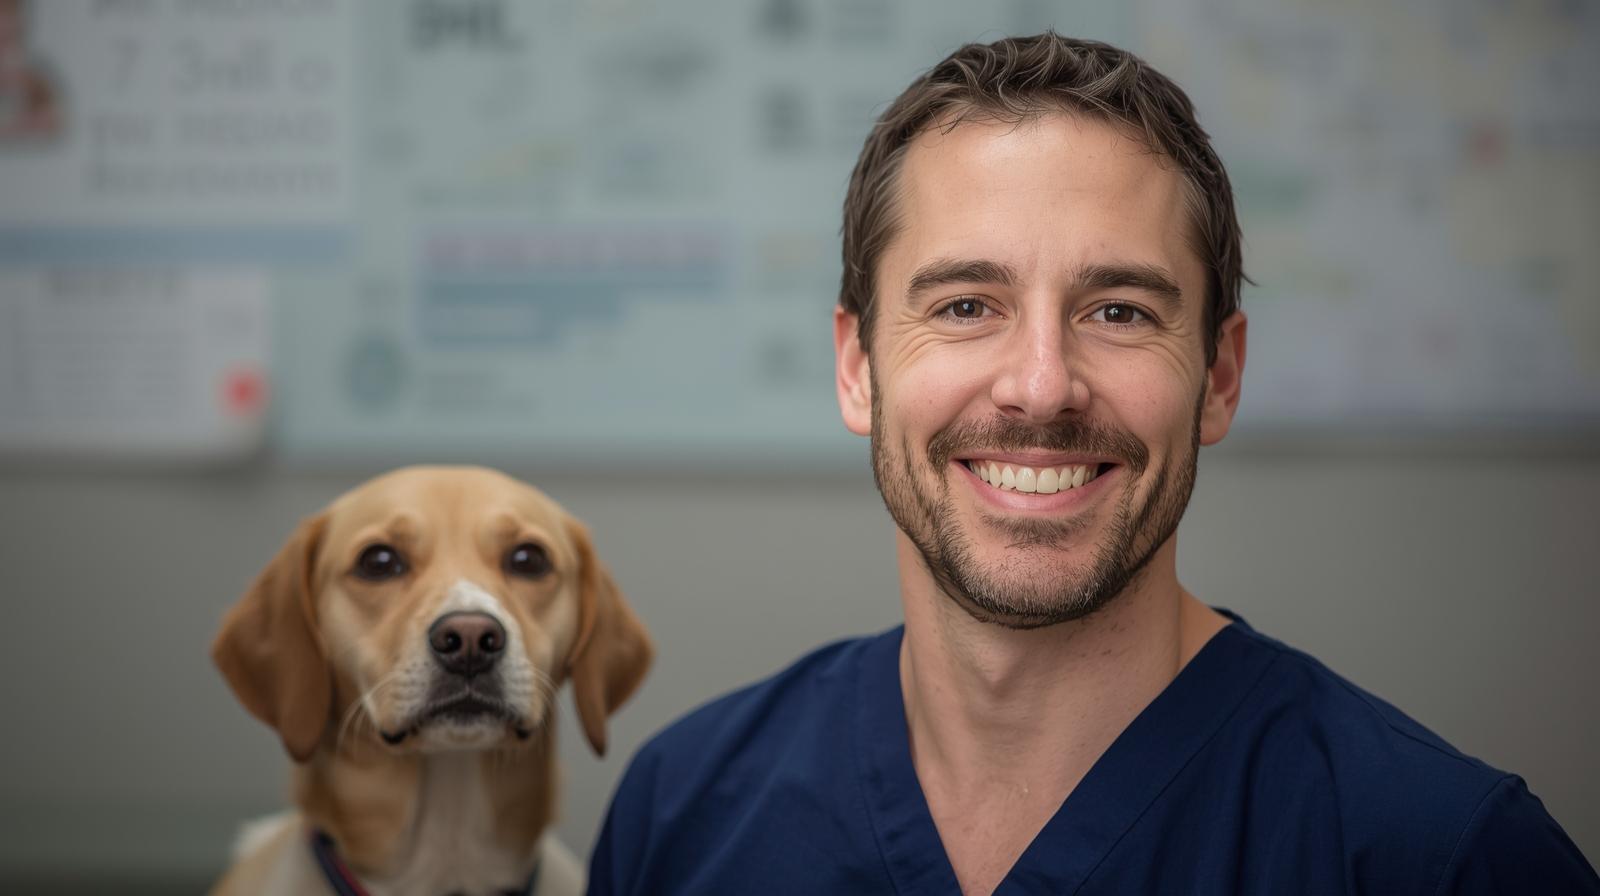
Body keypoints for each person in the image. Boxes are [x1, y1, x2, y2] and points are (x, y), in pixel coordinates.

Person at [588, 33, 1598, 895]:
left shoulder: (1441, 854)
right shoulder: (683, 813)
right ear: (857, 368)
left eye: (1119, 310)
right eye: (966, 306)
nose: (1041, 386)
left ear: (1218, 376)